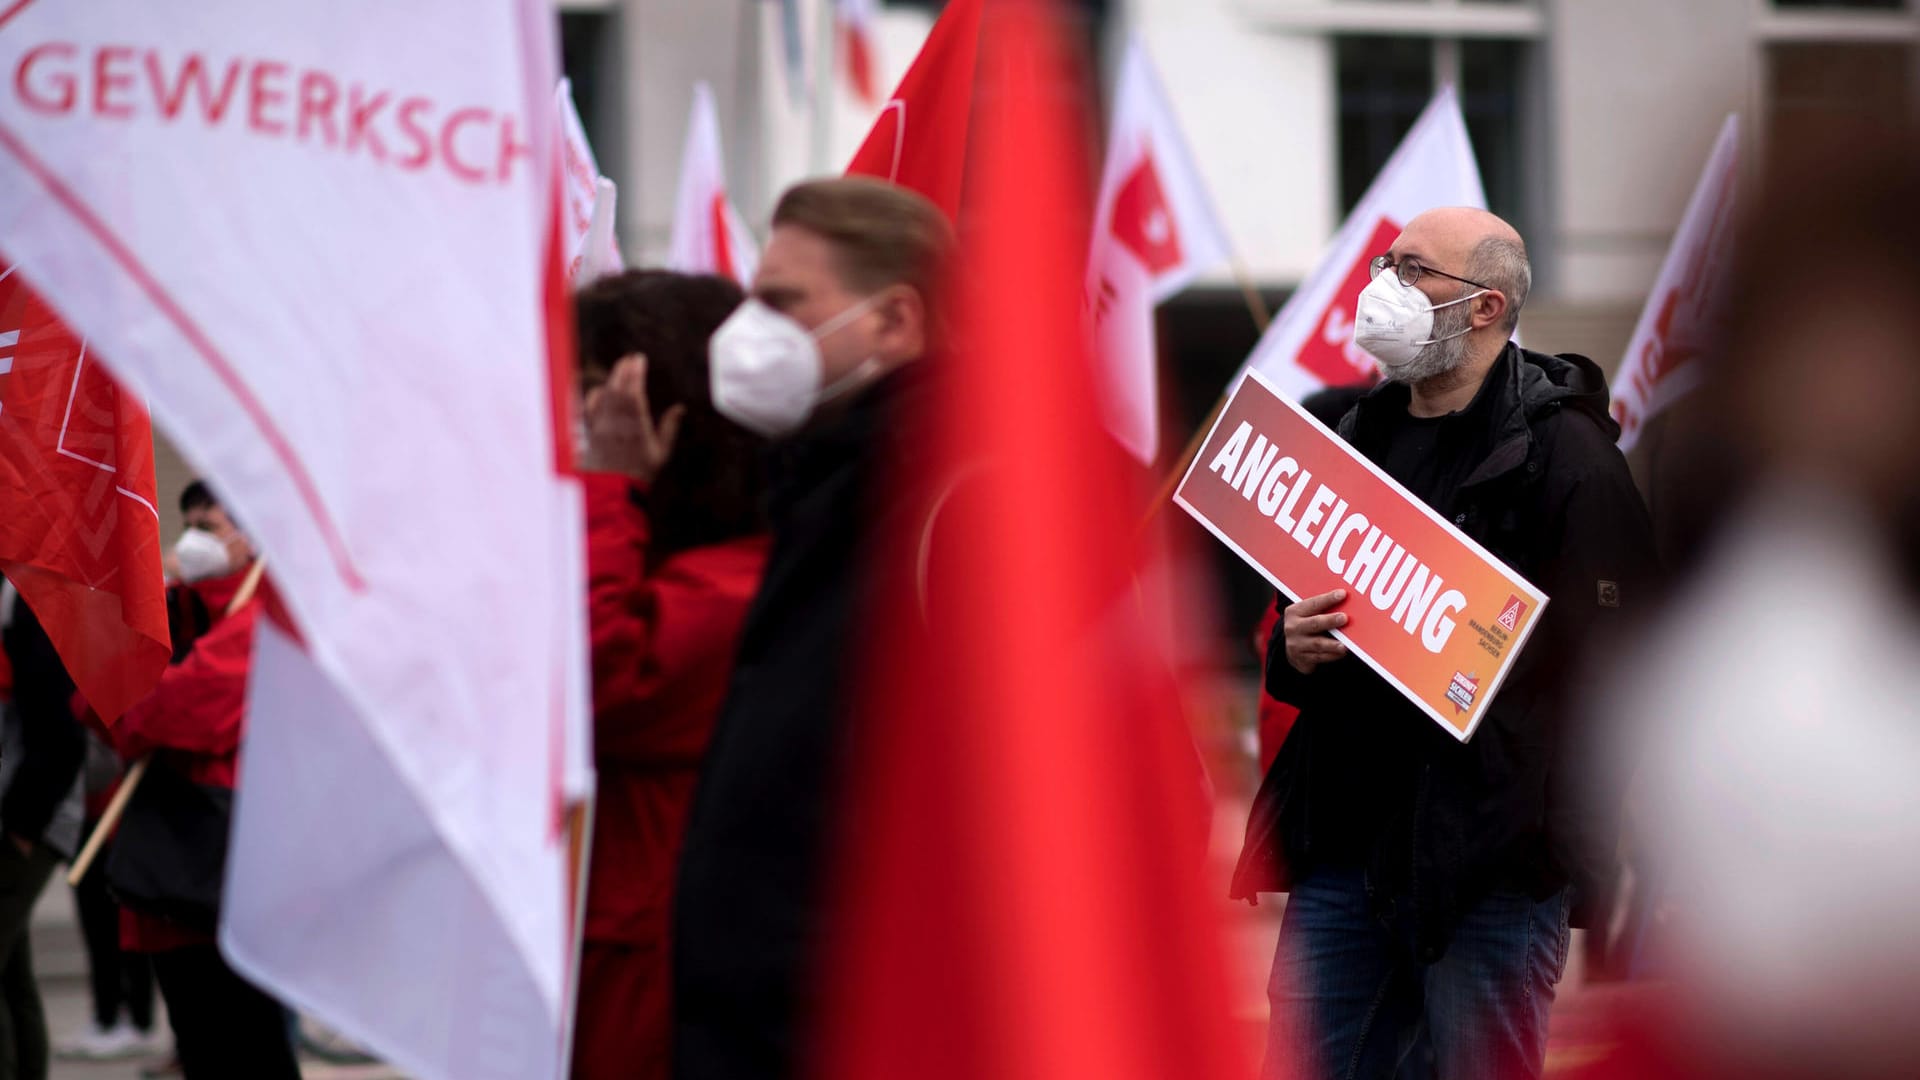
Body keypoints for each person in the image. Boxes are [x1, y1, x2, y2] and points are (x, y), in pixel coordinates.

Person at [1233, 207, 1659, 1080]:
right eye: (1385, 262)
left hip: (1490, 871)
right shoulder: (1351, 438)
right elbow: (1297, 628)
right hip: (1344, 857)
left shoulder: (1569, 458)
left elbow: (1623, 669)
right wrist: (1297, 650)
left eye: (1414, 268)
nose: (1384, 285)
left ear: (1485, 308)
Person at [671, 177, 954, 1080]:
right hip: (764, 1009)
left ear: (894, 323)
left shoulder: (956, 504)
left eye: (781, 302)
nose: (745, 333)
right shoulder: (829, 480)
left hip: (847, 1020)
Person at [567, 270, 770, 1080]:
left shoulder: (736, 583)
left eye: (596, 392)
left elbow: (590, 679)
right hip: (603, 931)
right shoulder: (657, 550)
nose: (577, 418)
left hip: (652, 949)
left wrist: (609, 486)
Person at [104, 483, 300, 1080]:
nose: (193, 540)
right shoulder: (172, 607)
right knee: (205, 1051)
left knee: (254, 1052)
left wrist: (140, 711)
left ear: (248, 534)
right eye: (187, 524)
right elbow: (104, 703)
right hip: (169, 880)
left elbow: (180, 708)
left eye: (209, 526)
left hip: (236, 876)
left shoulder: (268, 611)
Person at [0, 583, 88, 1080]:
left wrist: (23, 825)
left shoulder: (32, 601)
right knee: (13, 975)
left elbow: (60, 733)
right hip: (22, 812)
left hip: (28, 817)